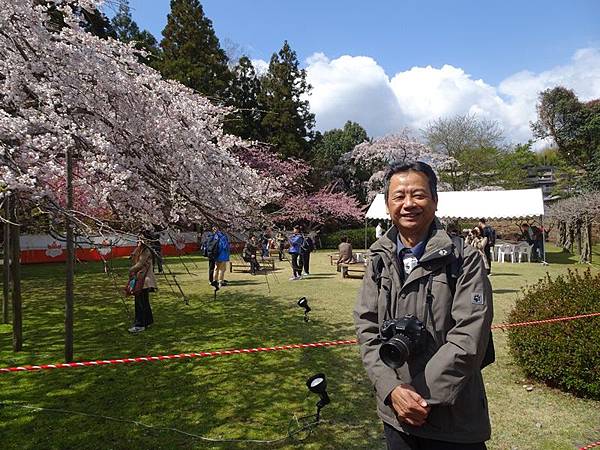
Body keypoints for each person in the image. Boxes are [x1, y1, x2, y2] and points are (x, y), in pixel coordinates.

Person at [354, 161, 493, 450]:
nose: (408, 204)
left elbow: (470, 337)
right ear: (388, 204)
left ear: (435, 200)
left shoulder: (463, 259)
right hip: (396, 415)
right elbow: (367, 330)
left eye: (418, 195)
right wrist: (391, 390)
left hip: (453, 420)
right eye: (399, 196)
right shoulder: (379, 258)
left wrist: (417, 396)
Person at [128, 232, 157, 333]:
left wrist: (130, 270)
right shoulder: (142, 249)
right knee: (144, 301)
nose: (138, 241)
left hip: (144, 280)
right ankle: (148, 321)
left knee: (140, 302)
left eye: (140, 239)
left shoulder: (146, 251)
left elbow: (139, 264)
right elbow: (133, 256)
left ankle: (140, 324)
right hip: (143, 280)